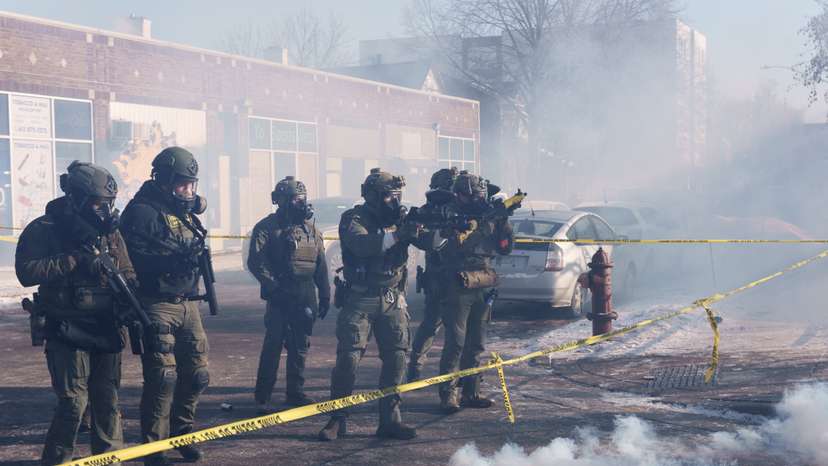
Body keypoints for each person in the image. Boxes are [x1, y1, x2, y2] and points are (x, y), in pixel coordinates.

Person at [16, 161, 133, 465]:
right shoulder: (45, 229)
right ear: (77, 199)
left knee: (107, 401)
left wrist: (132, 299)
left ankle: (109, 458)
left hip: (106, 325)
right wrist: (74, 260)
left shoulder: (109, 233)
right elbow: (26, 271)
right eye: (98, 204)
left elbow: (127, 269)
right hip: (66, 326)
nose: (105, 211)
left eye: (109, 204)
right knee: (73, 404)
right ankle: (56, 460)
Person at [318, 168, 440, 441]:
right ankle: (338, 418)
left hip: (392, 298)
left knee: (397, 358)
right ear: (373, 196)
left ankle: (390, 419)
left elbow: (432, 244)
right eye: (388, 196)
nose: (394, 202)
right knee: (348, 359)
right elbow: (362, 245)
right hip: (360, 298)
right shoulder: (354, 218)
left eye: (397, 196)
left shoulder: (401, 219)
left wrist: (434, 224)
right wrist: (399, 234)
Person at [120, 147, 210, 465]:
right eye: (182, 184)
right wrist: (169, 261)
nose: (189, 191)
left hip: (187, 303)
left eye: (192, 185)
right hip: (156, 303)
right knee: (162, 378)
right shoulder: (142, 212)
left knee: (197, 374)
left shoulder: (181, 210)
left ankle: (182, 434)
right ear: (164, 180)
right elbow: (132, 260)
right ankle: (153, 448)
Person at [248, 176, 330, 412]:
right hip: (280, 293)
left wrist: (324, 295)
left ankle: (295, 392)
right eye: (295, 199)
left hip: (306, 293)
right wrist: (273, 288)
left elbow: (321, 265)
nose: (300, 203)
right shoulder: (266, 227)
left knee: (300, 345)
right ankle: (263, 395)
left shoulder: (312, 230)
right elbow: (256, 262)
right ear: (281, 201)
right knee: (273, 345)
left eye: (302, 199)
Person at [437, 171, 514, 413]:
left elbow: (505, 249)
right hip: (458, 282)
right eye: (473, 196)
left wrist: (503, 222)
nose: (478, 200)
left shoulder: (486, 214)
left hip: (483, 281)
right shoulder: (450, 214)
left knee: (477, 343)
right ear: (460, 195)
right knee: (456, 343)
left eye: (481, 196)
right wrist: (488, 223)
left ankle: (471, 391)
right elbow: (462, 245)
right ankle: (448, 394)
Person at [406, 167, 459, 382]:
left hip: (455, 274)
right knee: (433, 325)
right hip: (439, 274)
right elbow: (423, 236)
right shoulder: (432, 210)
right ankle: (415, 368)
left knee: (441, 327)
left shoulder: (456, 209)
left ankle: (417, 368)